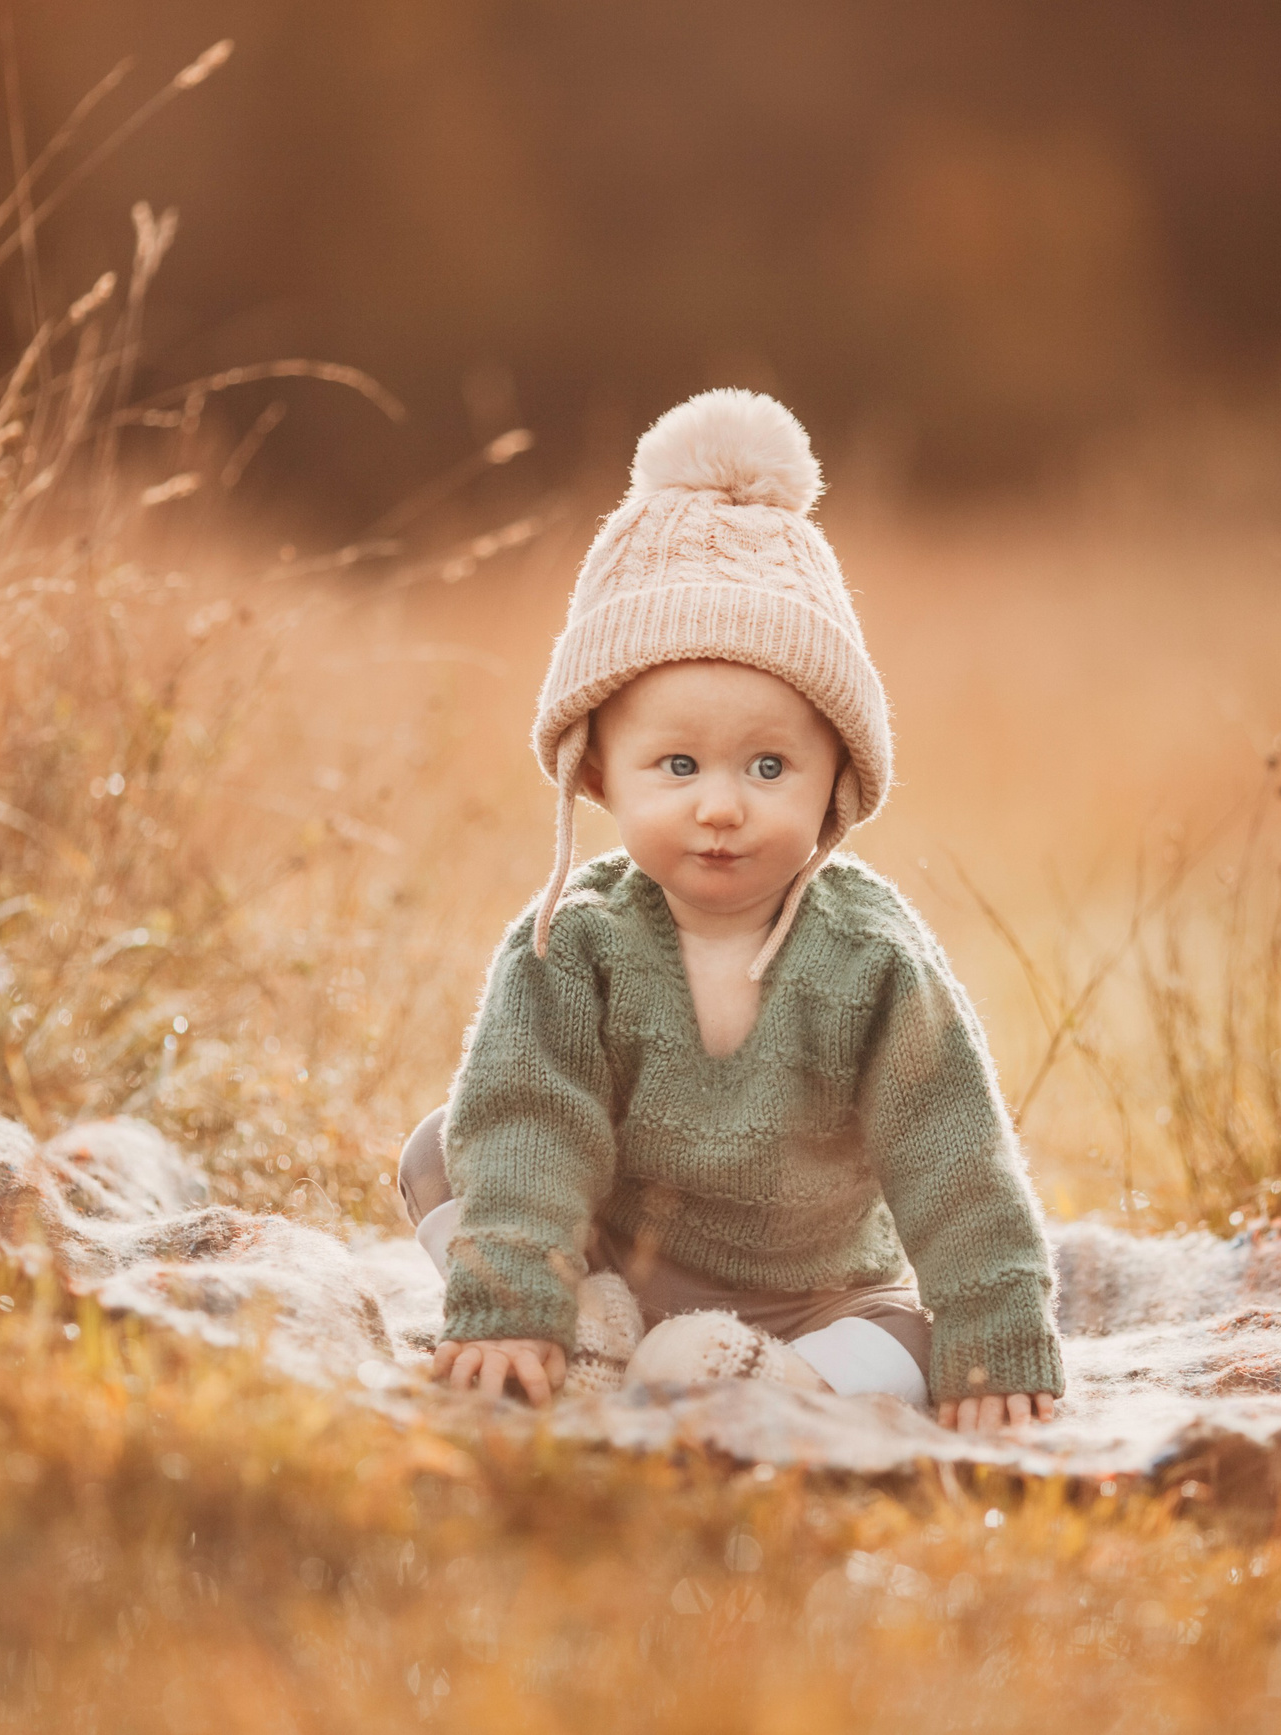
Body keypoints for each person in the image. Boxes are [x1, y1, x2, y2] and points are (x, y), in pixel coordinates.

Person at [397, 388, 1064, 1433]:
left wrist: (996, 1324)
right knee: (448, 1146)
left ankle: (759, 1373)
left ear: (835, 780)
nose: (720, 805)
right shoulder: (571, 939)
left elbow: (952, 1147)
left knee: (925, 1341)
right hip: (616, 1245)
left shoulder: (870, 956)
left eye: (767, 764)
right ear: (598, 775)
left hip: (815, 1292)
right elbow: (532, 1117)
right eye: (675, 764)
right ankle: (573, 1318)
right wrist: (507, 1301)